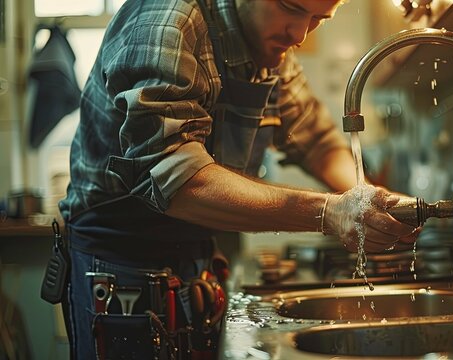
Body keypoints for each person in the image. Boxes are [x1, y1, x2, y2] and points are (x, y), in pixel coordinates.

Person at [58, 0, 418, 358]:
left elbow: (315, 139)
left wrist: (366, 197)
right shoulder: (169, 19)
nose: (300, 34)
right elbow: (177, 177)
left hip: (192, 257)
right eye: (291, 8)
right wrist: (332, 212)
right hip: (118, 267)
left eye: (319, 19)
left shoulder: (270, 48)